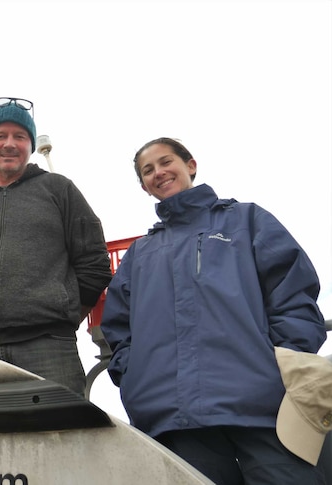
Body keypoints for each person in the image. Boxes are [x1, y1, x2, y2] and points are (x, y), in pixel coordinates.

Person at [100, 137, 327, 484]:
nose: (159, 172)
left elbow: (293, 293)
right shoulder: (139, 254)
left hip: (266, 410)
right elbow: (118, 328)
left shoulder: (248, 220)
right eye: (148, 171)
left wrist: (281, 361)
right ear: (144, 187)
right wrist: (133, 376)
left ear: (190, 164)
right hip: (173, 419)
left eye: (166, 162)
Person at [0, 97, 112, 396]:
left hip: (48, 348)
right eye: (0, 136)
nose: (9, 144)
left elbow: (94, 262)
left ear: (30, 145)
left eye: (19, 136)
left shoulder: (59, 189)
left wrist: (64, 310)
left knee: (58, 437)